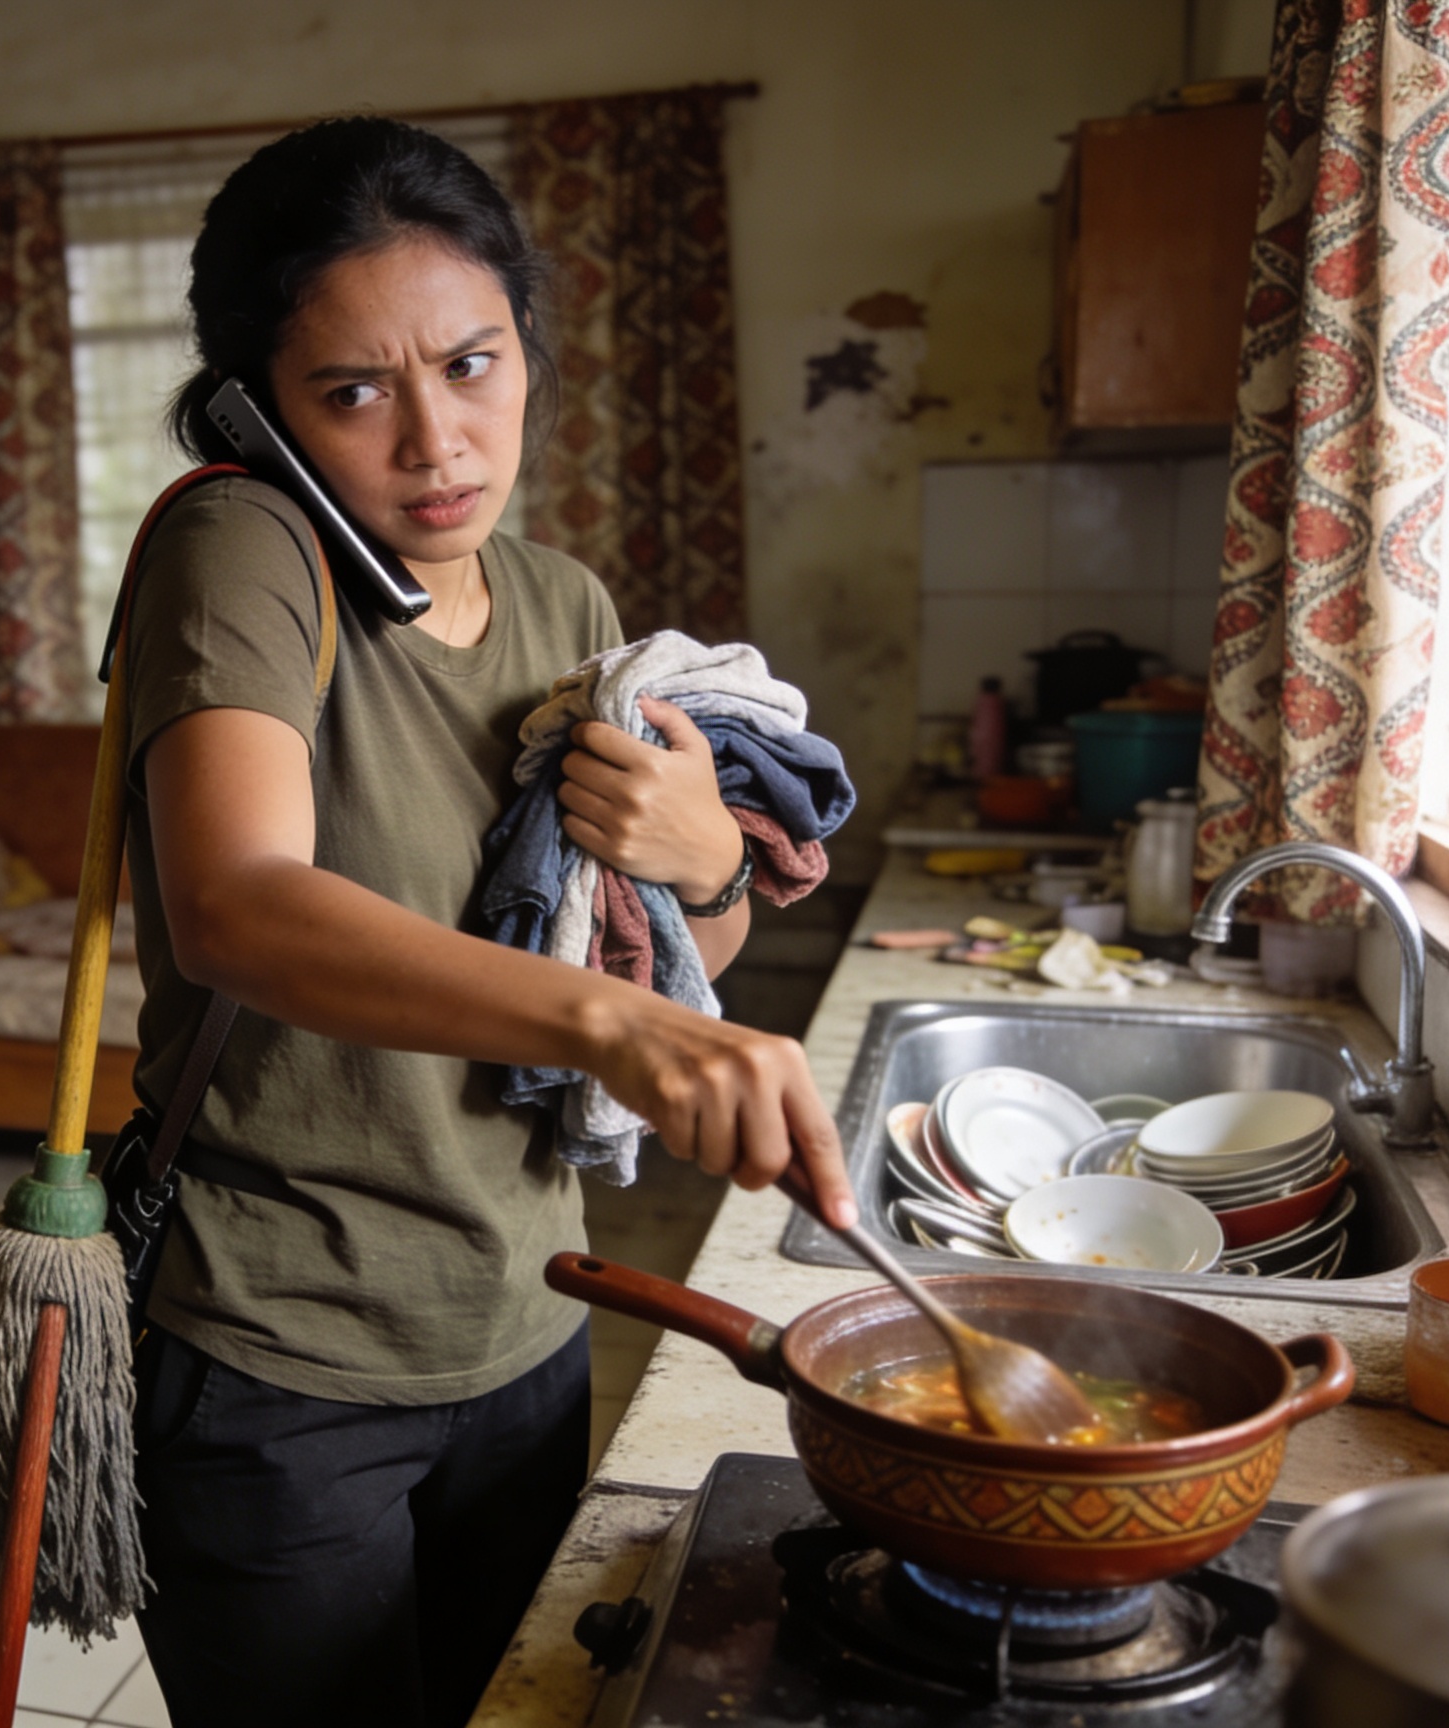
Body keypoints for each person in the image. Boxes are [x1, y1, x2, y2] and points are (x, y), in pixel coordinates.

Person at [119, 115, 855, 1728]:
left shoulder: (565, 604)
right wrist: (621, 1026)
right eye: (355, 391)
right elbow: (237, 906)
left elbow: (658, 958)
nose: (439, 442)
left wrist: (704, 869)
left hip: (527, 1316)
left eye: (473, 364)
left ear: (527, 345)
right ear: (259, 404)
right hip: (282, 1353)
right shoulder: (240, 547)